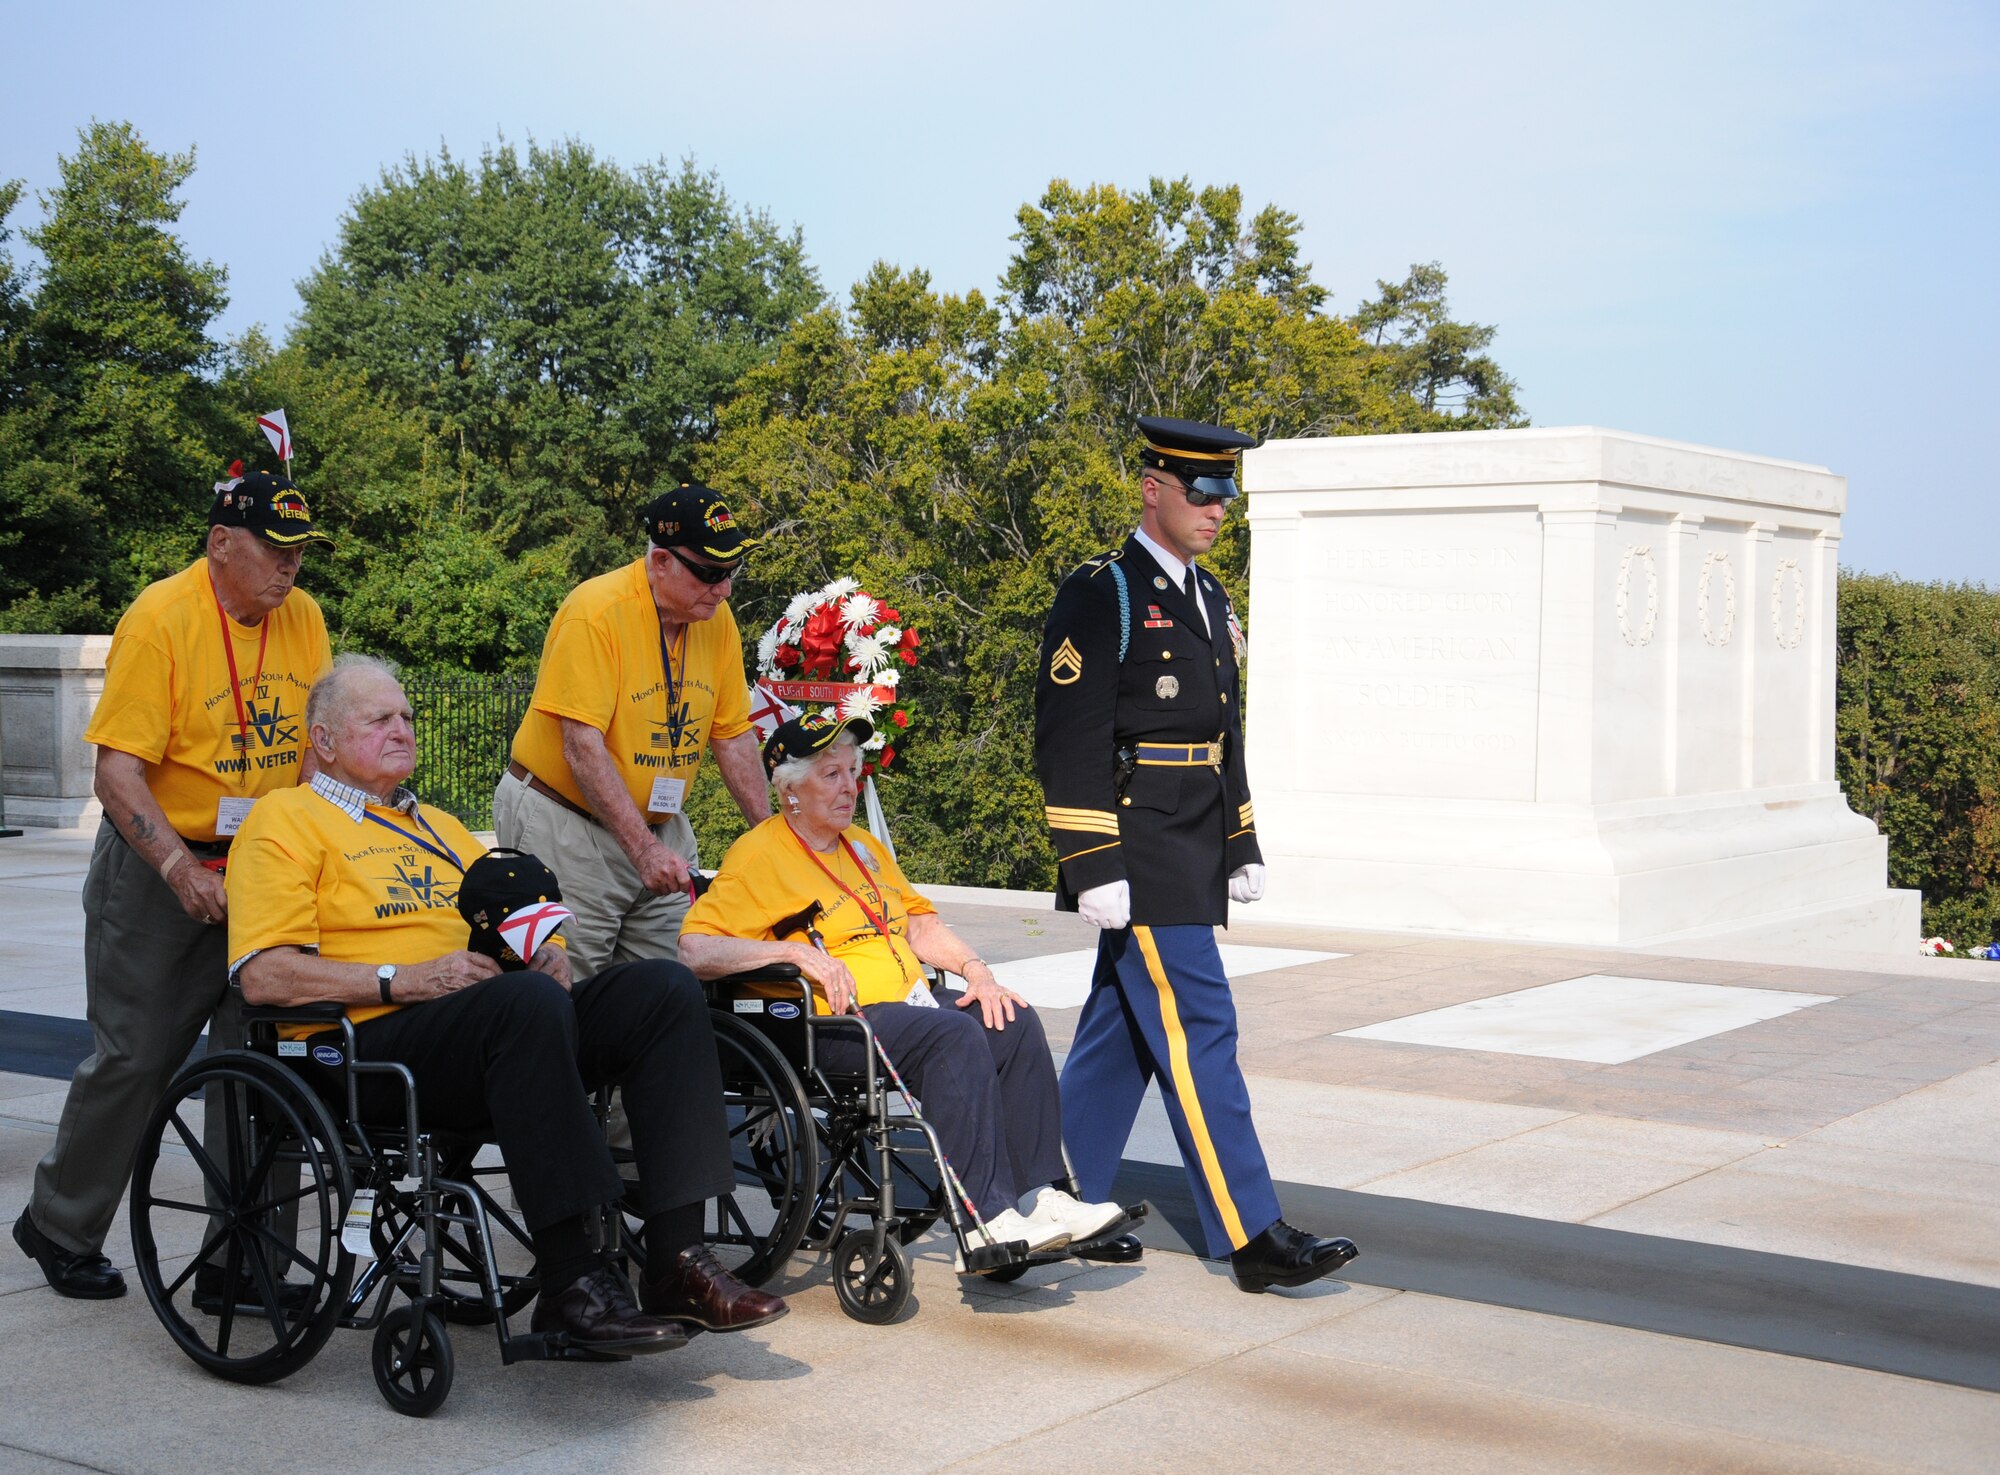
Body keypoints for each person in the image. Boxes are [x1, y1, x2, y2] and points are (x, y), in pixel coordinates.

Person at [228, 655, 787, 1350]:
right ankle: (572, 1281)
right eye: (380, 719)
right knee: (522, 1006)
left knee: (662, 988)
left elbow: (499, 931)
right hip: (366, 1044)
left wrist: (538, 951)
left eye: (406, 715)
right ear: (324, 741)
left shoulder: (439, 826)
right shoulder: (284, 820)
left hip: (489, 1026)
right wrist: (399, 979)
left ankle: (678, 1258)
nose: (403, 728)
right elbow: (265, 975)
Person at [1033, 415, 1359, 1293]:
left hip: (1192, 840)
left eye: (1228, 492)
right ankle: (1253, 1233)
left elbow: (1225, 735)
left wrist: (1241, 838)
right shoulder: (1104, 592)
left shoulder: (1210, 597)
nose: (1219, 507)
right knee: (1201, 1024)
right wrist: (1091, 861)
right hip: (1138, 847)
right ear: (1153, 489)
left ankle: (1049, 1202)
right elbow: (1069, 737)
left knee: (1122, 1034)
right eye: (1202, 489)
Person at [14, 469, 334, 1302]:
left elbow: (311, 746)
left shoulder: (304, 619)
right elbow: (117, 773)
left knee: (262, 1060)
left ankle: (247, 1260)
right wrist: (177, 867)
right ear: (221, 543)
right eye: (275, 547)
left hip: (259, 865)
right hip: (158, 864)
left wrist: (305, 846)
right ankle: (59, 1223)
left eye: (300, 551)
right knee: (137, 1057)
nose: (290, 567)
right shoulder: (161, 618)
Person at [678, 713, 1128, 1268]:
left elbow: (916, 925)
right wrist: (795, 953)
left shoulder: (862, 846)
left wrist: (976, 971)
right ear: (791, 791)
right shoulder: (759, 855)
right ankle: (987, 1221)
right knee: (952, 1034)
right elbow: (694, 951)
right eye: (832, 775)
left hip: (907, 1007)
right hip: (832, 1024)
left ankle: (1043, 1198)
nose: (850, 786)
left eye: (853, 770)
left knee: (1009, 1018)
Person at [496, 481, 772, 976]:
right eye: (710, 572)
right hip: (568, 825)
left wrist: (772, 837)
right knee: (567, 986)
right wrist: (642, 850)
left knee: (669, 985)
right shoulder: (596, 612)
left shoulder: (717, 618)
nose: (724, 588)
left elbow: (731, 734)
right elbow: (582, 747)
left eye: (732, 572)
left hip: (658, 830)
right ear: (660, 561)